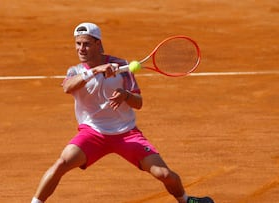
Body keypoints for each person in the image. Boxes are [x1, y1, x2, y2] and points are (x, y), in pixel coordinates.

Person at [31, 22, 214, 203]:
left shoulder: (122, 67)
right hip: (92, 133)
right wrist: (95, 71)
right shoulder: (75, 71)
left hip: (126, 134)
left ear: (98, 44)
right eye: (78, 44)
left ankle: (186, 200)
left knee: (164, 174)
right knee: (61, 164)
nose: (81, 48)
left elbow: (139, 103)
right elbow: (68, 87)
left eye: (86, 43)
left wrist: (125, 95)